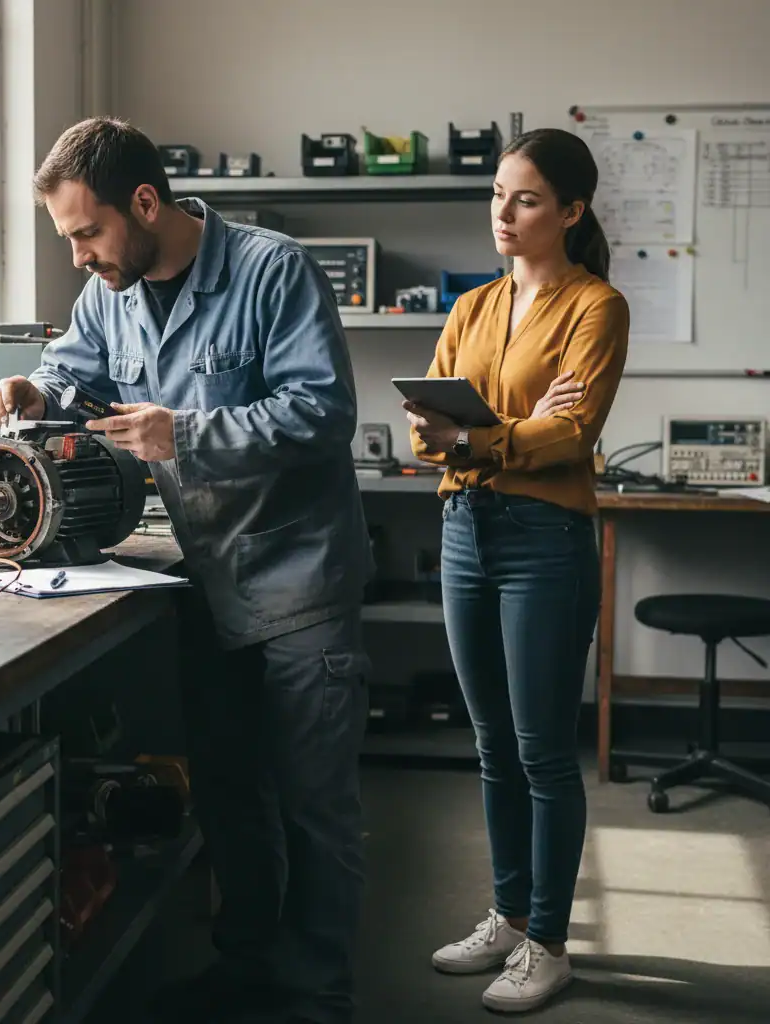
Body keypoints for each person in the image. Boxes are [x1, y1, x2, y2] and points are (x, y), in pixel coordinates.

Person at [0, 117, 372, 1024]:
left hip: (300, 582)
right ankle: (249, 971)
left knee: (313, 809)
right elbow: (72, 372)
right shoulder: (108, 294)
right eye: (68, 237)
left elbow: (323, 411)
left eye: (88, 232)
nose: (79, 256)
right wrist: (35, 390)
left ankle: (318, 997)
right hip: (207, 582)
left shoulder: (272, 270)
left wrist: (184, 433)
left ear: (145, 202)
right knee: (231, 797)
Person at [403, 128, 629, 1013]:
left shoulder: (596, 307)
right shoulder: (471, 307)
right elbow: (425, 426)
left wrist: (476, 438)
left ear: (570, 211)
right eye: (499, 194)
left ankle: (549, 942)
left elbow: (573, 432)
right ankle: (507, 915)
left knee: (541, 751)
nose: (504, 212)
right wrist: (494, 436)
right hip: (466, 529)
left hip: (546, 540)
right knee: (492, 744)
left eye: (526, 199)